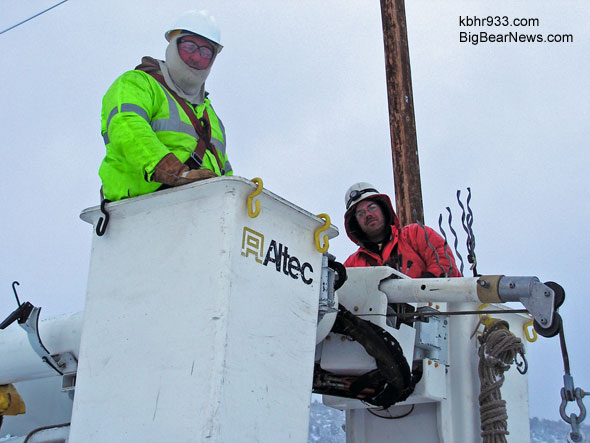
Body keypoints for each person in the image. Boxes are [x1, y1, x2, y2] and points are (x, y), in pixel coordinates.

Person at [98, 10, 232, 202]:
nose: (196, 57)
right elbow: (127, 127)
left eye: (205, 52)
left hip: (200, 215)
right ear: (173, 46)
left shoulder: (210, 117)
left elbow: (224, 171)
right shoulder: (138, 84)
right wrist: (175, 171)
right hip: (137, 212)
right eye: (189, 47)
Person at [343, 182, 462, 278]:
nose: (368, 214)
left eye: (372, 207)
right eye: (361, 213)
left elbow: (444, 262)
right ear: (355, 223)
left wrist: (424, 288)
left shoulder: (415, 234)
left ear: (384, 210)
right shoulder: (352, 264)